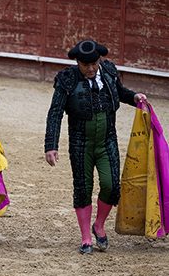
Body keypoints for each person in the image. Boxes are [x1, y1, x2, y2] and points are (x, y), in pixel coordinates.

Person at [44, 39, 147, 254]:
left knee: (111, 186)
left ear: (99, 60)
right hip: (80, 143)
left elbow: (121, 92)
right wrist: (50, 145)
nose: (91, 68)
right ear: (78, 63)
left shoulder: (108, 71)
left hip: (107, 139)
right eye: (85, 64)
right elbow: (55, 113)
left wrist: (135, 97)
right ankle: (86, 238)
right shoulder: (67, 79)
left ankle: (99, 224)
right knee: (83, 188)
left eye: (94, 63)